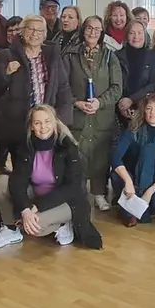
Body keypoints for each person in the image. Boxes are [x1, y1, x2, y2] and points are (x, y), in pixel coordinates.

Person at [0, 105, 103, 250]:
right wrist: (25, 210)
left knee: (36, 228)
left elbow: (72, 188)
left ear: (55, 123)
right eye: (37, 123)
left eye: (47, 121)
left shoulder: (68, 147)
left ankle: (65, 224)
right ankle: (11, 230)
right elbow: (18, 180)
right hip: (36, 194)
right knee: (0, 182)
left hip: (66, 202)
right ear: (32, 126)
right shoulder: (26, 146)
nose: (43, 127)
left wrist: (37, 207)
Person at [0, 15, 74, 163]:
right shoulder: (6, 55)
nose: (35, 34)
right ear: (21, 31)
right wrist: (5, 72)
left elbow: (63, 88)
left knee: (47, 168)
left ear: (45, 35)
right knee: (22, 169)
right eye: (31, 29)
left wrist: (61, 121)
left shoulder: (52, 56)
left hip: (46, 125)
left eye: (40, 31)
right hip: (18, 126)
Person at [63, 16, 122, 212]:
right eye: (89, 28)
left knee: (100, 156)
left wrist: (100, 102)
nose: (92, 32)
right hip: (77, 116)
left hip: (101, 116)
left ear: (102, 33)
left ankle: (99, 194)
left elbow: (117, 88)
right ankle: (77, 196)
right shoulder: (70, 55)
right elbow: (62, 86)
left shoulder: (109, 56)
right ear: (83, 30)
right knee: (77, 156)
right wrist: (76, 102)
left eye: (97, 29)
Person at [110, 93, 155, 226]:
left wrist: (150, 191)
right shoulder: (133, 129)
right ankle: (130, 206)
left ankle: (147, 205)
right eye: (149, 108)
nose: (152, 112)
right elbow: (115, 157)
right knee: (130, 215)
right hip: (133, 180)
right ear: (143, 111)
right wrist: (128, 181)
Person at [117, 20, 155, 132]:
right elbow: (114, 83)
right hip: (120, 110)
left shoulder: (153, 57)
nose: (136, 36)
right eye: (132, 33)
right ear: (126, 35)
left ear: (145, 35)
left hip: (145, 108)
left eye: (140, 33)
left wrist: (132, 100)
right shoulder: (116, 56)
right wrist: (122, 103)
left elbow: (153, 85)